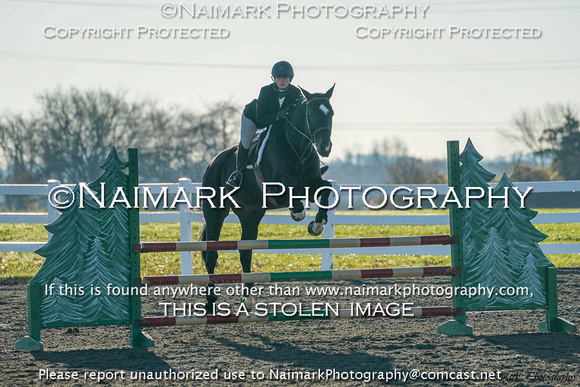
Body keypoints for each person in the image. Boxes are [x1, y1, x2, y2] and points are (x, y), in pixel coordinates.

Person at [226, 60, 303, 188]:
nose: (282, 80)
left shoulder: (296, 93)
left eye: (285, 77)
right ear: (274, 78)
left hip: (277, 123)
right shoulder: (265, 91)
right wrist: (278, 116)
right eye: (278, 77)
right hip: (253, 117)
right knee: (246, 141)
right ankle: (237, 173)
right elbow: (261, 120)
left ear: (290, 78)